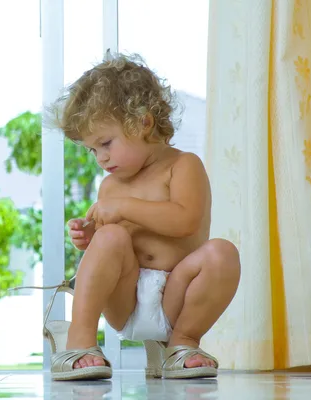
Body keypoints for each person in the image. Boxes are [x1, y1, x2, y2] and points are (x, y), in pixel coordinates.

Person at [41, 53, 241, 381]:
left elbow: (185, 221)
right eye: (92, 150)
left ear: (144, 122)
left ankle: (183, 343)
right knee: (111, 237)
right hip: (127, 298)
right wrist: (89, 239)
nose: (100, 158)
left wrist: (122, 207)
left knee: (223, 253)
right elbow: (112, 247)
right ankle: (80, 340)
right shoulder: (110, 185)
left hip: (177, 295)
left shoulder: (183, 165)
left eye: (105, 143)